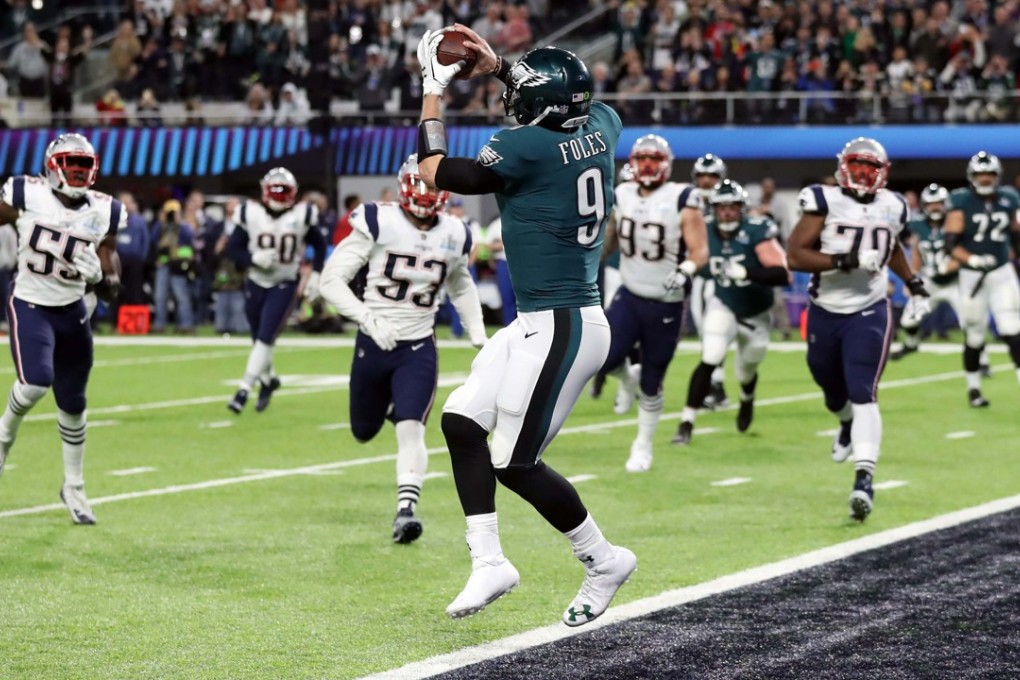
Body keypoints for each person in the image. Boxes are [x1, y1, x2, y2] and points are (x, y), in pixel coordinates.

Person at [413, 26, 637, 626]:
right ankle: (489, 562)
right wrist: (499, 66)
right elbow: (558, 106)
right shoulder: (605, 125)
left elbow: (433, 169)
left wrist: (433, 88)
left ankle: (603, 558)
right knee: (462, 422)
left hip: (565, 322)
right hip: (542, 319)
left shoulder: (524, 148)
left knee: (513, 461)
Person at [319, 154, 486, 544]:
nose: (426, 192)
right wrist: (366, 318)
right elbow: (331, 281)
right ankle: (393, 407)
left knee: (413, 430)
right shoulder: (379, 220)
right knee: (363, 430)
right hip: (373, 342)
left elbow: (460, 283)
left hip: (418, 345)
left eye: (433, 184)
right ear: (404, 185)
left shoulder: (456, 232)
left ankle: (406, 510)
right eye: (420, 183)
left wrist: (478, 333)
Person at [787, 137, 930, 523]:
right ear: (843, 167)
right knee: (829, 387)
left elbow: (892, 245)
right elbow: (795, 254)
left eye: (871, 168)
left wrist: (913, 283)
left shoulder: (894, 205)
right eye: (857, 166)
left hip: (870, 309)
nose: (864, 175)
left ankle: (864, 478)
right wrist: (846, 259)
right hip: (824, 309)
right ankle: (846, 422)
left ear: (882, 172)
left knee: (863, 390)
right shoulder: (824, 199)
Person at [0, 132, 123, 524]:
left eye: (84, 165)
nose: (78, 171)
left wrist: (99, 278)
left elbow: (112, 288)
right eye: (72, 163)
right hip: (31, 303)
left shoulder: (106, 210)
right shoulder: (26, 194)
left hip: (73, 311)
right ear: (53, 166)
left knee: (74, 404)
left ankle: (74, 486)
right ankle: (3, 438)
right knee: (36, 381)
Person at [598, 134, 707, 471]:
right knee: (602, 357)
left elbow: (700, 250)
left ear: (666, 165)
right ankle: (627, 380)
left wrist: (687, 269)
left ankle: (642, 445)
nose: (646, 166)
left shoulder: (683, 198)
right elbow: (609, 240)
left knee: (653, 379)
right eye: (642, 159)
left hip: (667, 300)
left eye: (653, 160)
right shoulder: (622, 193)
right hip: (630, 293)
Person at [674, 179, 789, 445]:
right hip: (723, 302)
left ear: (742, 208)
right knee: (710, 355)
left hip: (756, 312)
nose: (726, 212)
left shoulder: (756, 230)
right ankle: (686, 421)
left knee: (746, 369)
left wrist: (747, 272)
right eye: (721, 207)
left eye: (733, 207)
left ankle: (747, 398)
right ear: (713, 209)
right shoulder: (704, 230)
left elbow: (782, 274)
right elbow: (691, 259)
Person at [225, 167, 327, 414]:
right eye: (276, 191)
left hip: (285, 282)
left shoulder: (304, 214)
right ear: (265, 191)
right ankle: (269, 380)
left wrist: (315, 273)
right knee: (259, 337)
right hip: (256, 280)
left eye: (284, 192)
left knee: (266, 336)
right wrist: (253, 258)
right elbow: (232, 250)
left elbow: (320, 245)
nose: (280, 197)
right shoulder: (250, 213)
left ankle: (244, 389)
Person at [942, 151, 1020, 406]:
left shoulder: (1010, 198)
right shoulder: (961, 200)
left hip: (1000, 270)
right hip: (972, 275)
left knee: (1012, 327)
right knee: (974, 333)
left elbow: (1016, 234)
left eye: (989, 174)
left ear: (997, 176)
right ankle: (974, 390)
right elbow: (951, 243)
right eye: (980, 174)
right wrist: (972, 260)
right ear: (972, 176)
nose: (985, 179)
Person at [892, 183, 989, 373]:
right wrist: (912, 278)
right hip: (931, 283)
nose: (935, 207)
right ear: (924, 205)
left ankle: (983, 361)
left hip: (956, 282)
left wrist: (950, 265)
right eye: (931, 204)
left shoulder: (956, 222)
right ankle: (912, 344)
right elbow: (917, 252)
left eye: (939, 203)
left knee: (971, 323)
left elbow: (965, 251)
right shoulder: (918, 225)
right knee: (908, 322)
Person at [690, 154, 730, 409]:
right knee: (706, 331)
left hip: (719, 274)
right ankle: (716, 386)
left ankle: (716, 386)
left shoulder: (727, 201)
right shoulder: (687, 199)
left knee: (713, 331)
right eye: (702, 176)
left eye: (712, 176)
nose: (706, 181)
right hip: (697, 273)